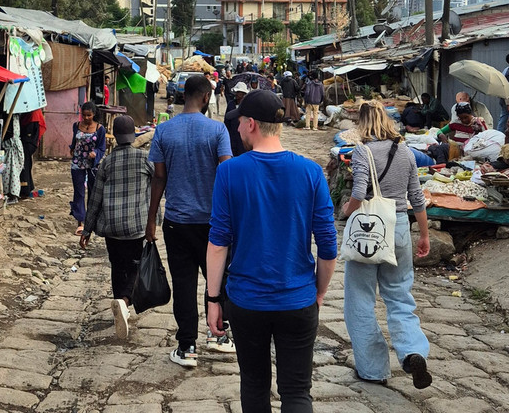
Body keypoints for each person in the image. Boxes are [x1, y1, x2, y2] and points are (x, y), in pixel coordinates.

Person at [207, 89, 336, 413]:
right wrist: (317, 294)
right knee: (296, 392)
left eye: (238, 123)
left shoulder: (230, 172)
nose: (235, 128)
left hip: (247, 302)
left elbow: (218, 242)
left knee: (253, 385)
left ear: (251, 124)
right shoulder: (310, 172)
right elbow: (328, 244)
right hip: (298, 300)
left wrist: (212, 300)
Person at [342, 100, 432, 389]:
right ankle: (412, 351)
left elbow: (358, 192)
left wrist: (345, 211)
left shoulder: (362, 151)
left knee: (360, 299)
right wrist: (425, 235)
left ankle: (373, 370)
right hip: (400, 227)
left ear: (363, 123)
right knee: (400, 297)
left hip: (370, 231)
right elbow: (416, 197)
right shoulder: (405, 151)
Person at [146, 74, 232, 367]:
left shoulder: (164, 131)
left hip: (176, 222)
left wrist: (151, 222)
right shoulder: (217, 131)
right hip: (213, 223)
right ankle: (220, 335)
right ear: (207, 97)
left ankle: (187, 347)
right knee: (218, 281)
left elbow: (159, 178)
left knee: (183, 284)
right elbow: (227, 174)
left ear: (184, 94)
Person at [80, 115, 153, 339]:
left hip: (111, 227)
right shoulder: (144, 160)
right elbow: (160, 183)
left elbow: (95, 199)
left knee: (116, 265)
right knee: (135, 266)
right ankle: (124, 301)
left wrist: (86, 230)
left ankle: (119, 306)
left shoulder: (107, 163)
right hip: (135, 227)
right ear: (132, 136)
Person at [70, 102, 106, 236]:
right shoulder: (76, 126)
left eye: (88, 115)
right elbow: (74, 141)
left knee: (93, 192)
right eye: (83, 115)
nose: (86, 118)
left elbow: (102, 147)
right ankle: (80, 221)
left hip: (92, 165)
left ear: (94, 114)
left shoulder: (100, 129)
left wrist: (95, 153)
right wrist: (72, 148)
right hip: (77, 162)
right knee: (79, 192)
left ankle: (92, 220)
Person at [225, 82, 251, 156]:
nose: (237, 94)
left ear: (243, 94)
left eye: (239, 92)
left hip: (244, 136)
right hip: (232, 134)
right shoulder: (231, 104)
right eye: (236, 92)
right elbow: (226, 120)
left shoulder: (247, 105)